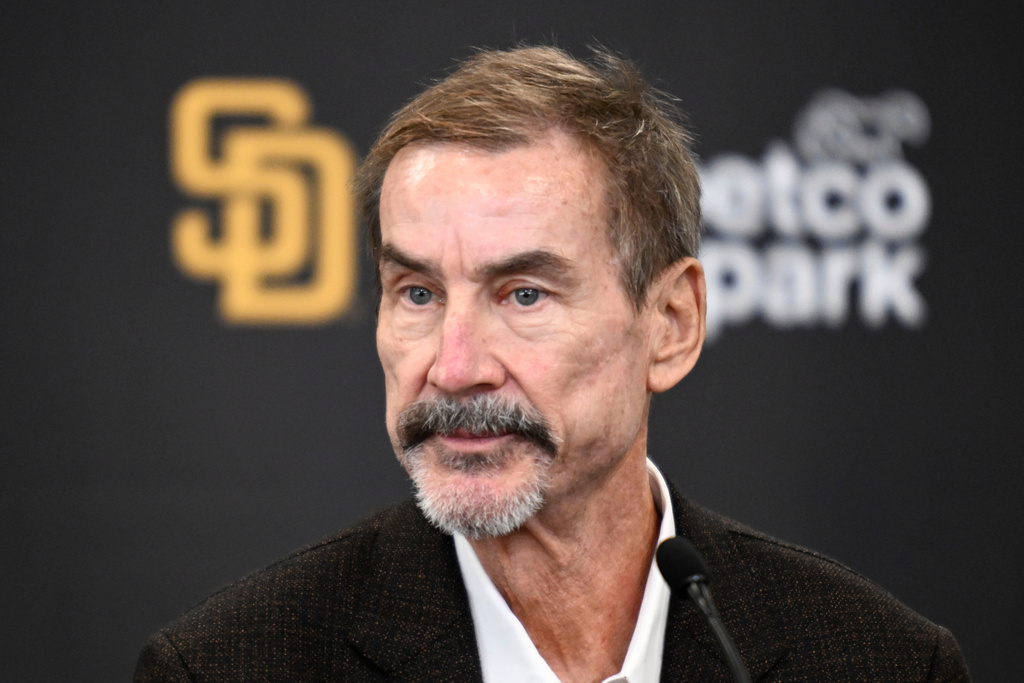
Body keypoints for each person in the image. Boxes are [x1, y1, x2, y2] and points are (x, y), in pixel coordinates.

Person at [135, 46, 970, 682]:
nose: (454, 368)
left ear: (672, 325)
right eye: (417, 293)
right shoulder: (226, 667)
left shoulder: (881, 661)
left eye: (523, 294)